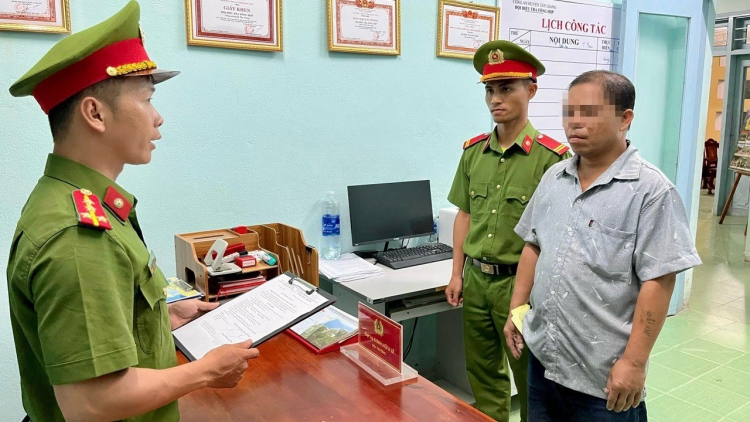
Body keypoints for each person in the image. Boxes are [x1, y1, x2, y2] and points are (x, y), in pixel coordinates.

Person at [7, 2, 258, 421]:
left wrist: (161, 315)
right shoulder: (78, 233)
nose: (158, 118)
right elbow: (91, 402)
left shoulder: (77, 199)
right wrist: (204, 372)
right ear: (95, 113)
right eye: (146, 99)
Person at [504, 70, 702, 421]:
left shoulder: (651, 192)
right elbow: (534, 245)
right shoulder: (554, 177)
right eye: (570, 112)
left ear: (625, 118)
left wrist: (634, 363)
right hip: (544, 358)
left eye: (589, 112)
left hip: (602, 377)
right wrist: (517, 309)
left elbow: (659, 281)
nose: (574, 123)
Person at [445, 40, 571, 422]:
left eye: (506, 88)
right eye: (489, 90)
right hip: (477, 281)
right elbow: (464, 215)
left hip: (522, 287)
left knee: (530, 379)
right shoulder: (473, 153)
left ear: (531, 91)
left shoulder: (553, 160)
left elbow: (558, 237)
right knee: (483, 377)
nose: (495, 99)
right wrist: (456, 272)